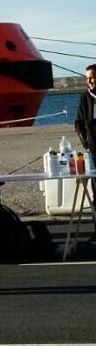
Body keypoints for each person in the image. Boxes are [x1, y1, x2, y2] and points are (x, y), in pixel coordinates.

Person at [74, 63, 96, 241]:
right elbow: (79, 122)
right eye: (87, 78)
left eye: (92, 77)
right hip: (94, 150)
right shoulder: (85, 98)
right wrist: (86, 143)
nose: (89, 81)